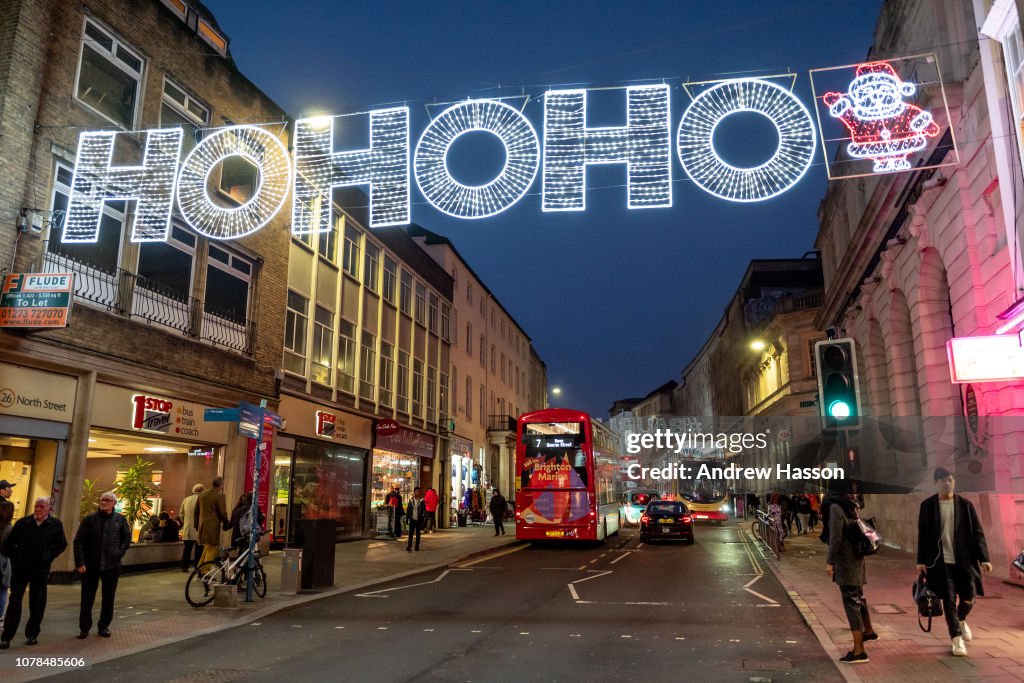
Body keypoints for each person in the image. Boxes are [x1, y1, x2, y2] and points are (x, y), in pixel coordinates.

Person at [916, 467, 992, 657]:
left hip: (965, 561)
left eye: (950, 479)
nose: (947, 483)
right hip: (940, 562)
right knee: (948, 600)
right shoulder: (927, 506)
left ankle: (961, 619)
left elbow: (978, 533)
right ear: (935, 483)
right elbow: (923, 535)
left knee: (969, 596)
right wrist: (921, 560)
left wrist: (984, 558)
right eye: (943, 480)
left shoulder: (965, 505)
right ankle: (956, 639)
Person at [0, 497, 68, 649]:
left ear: (48, 509)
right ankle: (6, 637)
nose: (38, 509)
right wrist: (16, 558)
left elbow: (62, 544)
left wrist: (49, 556)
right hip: (21, 569)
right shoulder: (23, 523)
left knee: (37, 602)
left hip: (41, 569)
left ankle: (32, 634)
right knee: (15, 601)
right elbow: (8, 544)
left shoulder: (55, 525)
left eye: (41, 507)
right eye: (36, 506)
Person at [823, 489, 877, 664]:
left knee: (851, 602)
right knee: (858, 597)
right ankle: (868, 631)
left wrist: (830, 562)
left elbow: (835, 538)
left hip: (846, 562)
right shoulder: (850, 505)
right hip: (858, 559)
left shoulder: (835, 508)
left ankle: (859, 651)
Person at [73, 491, 130, 639]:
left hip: (112, 565)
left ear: (114, 503)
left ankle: (104, 626)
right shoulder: (90, 519)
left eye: (107, 500)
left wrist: (119, 553)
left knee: (108, 597)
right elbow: (78, 541)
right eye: (102, 500)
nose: (104, 502)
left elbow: (126, 538)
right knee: (87, 597)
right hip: (90, 565)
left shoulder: (120, 520)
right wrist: (80, 562)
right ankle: (84, 627)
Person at [197, 477, 228, 566]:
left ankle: (200, 568)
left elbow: (197, 511)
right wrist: (226, 523)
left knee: (207, 548)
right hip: (213, 526)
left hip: (202, 525)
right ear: (221, 485)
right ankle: (206, 572)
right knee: (211, 548)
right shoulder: (220, 495)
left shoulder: (202, 494)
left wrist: (197, 525)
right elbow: (222, 512)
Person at [0, 479, 15, 632]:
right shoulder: (8, 527)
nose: (11, 491)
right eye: (9, 488)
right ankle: (0, 617)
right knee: (3, 587)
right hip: (3, 558)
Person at [179, 484, 204, 571]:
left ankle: (184, 566)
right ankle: (197, 567)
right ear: (202, 491)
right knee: (199, 550)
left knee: (187, 549)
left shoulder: (186, 500)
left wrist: (185, 522)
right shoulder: (202, 500)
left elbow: (181, 514)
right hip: (198, 529)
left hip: (188, 529)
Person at [406, 487, 426, 552]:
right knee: (410, 533)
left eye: (418, 491)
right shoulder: (411, 500)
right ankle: (409, 546)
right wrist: (407, 518)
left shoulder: (422, 501)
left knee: (418, 534)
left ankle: (417, 546)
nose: (417, 492)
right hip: (412, 519)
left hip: (419, 519)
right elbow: (408, 510)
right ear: (414, 492)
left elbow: (424, 510)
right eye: (416, 491)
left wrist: (423, 517)